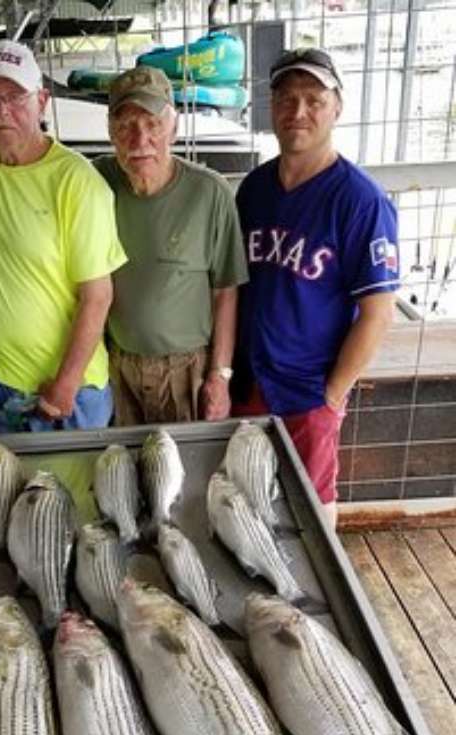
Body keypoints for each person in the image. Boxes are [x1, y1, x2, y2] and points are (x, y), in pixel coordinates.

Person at [232, 47, 399, 526]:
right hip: (251, 378)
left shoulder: (361, 201)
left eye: (314, 99)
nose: (298, 112)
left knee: (312, 505)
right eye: (286, 99)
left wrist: (333, 393)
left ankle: (320, 599)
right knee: (245, 498)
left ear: (337, 107)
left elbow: (378, 312)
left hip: (308, 388)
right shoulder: (255, 188)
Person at [0, 41, 126, 432]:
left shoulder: (77, 182)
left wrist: (66, 382)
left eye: (14, 96)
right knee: (8, 491)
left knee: (79, 491)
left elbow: (98, 296)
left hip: (70, 391)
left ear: (42, 100)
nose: (1, 111)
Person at [94, 67, 248, 426]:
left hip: (187, 371)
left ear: (174, 129)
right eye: (126, 125)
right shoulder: (94, 182)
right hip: (116, 366)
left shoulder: (210, 192)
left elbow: (226, 291)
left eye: (152, 124)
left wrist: (220, 376)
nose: (139, 139)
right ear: (110, 133)